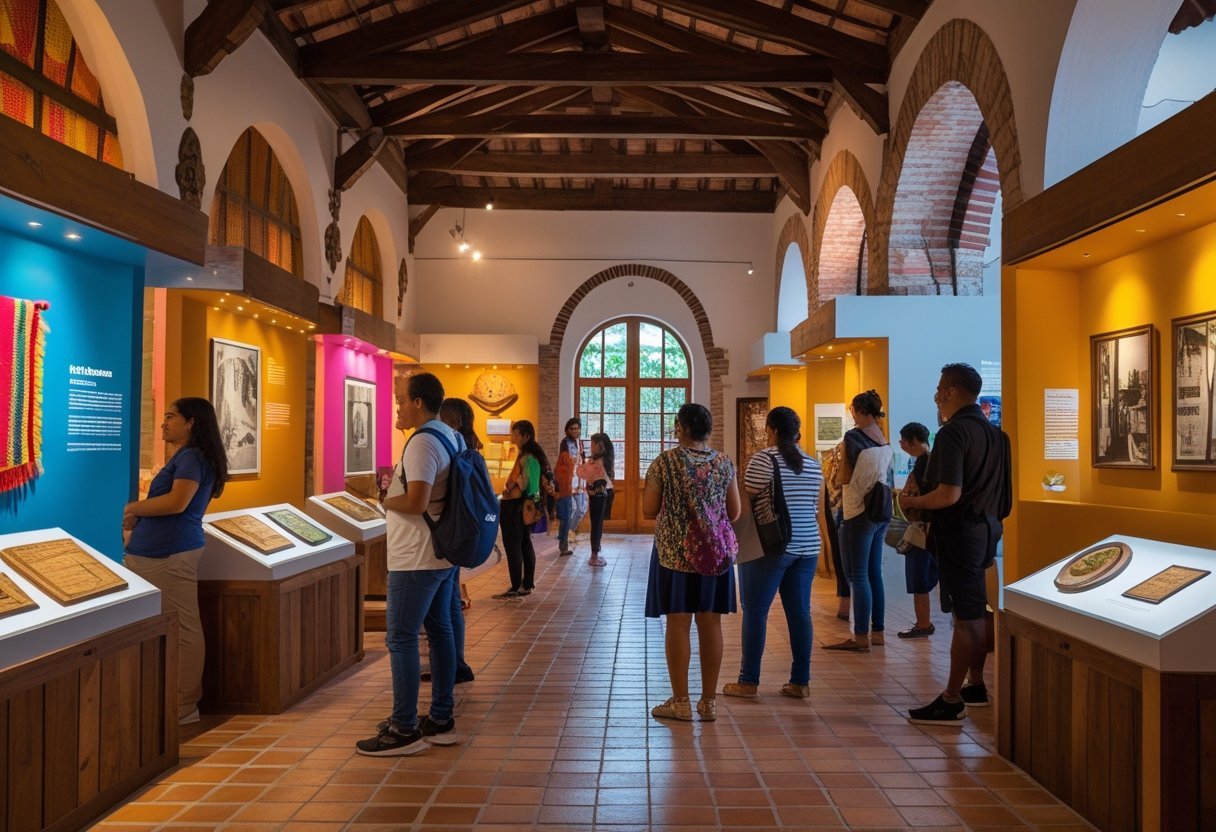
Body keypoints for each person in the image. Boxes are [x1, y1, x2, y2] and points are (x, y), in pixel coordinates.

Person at [356, 373, 462, 756]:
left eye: (401, 399)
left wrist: (385, 499)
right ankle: (440, 719)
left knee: (401, 638)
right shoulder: (449, 434)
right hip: (438, 554)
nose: (397, 406)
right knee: (440, 632)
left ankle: (404, 728)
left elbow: (416, 502)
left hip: (416, 556)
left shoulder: (421, 444)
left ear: (418, 402)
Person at [900, 363, 1009, 724]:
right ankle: (974, 684)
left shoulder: (951, 434)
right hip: (987, 532)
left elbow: (948, 494)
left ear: (950, 391)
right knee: (977, 608)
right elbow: (1005, 497)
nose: (935, 395)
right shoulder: (997, 436)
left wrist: (912, 502)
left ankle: (951, 699)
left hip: (960, 534)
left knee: (967, 617)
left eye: (938, 388)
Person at [123, 397, 229, 725]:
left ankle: (184, 704)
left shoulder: (193, 457)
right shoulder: (188, 456)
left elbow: (177, 502)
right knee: (178, 625)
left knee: (184, 626)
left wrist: (132, 509)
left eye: (171, 416)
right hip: (159, 552)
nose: (163, 422)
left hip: (169, 554)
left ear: (191, 422)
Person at [644, 404, 741, 723]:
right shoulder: (724, 463)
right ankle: (709, 702)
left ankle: (681, 702)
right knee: (711, 623)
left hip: (675, 553)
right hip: (715, 555)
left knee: (678, 622)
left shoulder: (665, 463)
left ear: (680, 428)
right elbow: (735, 511)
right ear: (708, 430)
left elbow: (648, 509)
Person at [724, 406, 827, 700]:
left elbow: (744, 499)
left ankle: (748, 681)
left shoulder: (763, 459)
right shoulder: (812, 463)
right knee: (799, 612)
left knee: (756, 610)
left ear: (772, 430)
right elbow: (815, 506)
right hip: (808, 546)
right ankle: (800, 681)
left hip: (772, 546)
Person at [823, 390, 893, 654]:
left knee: (858, 574)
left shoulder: (854, 437)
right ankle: (878, 633)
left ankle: (860, 635)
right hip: (880, 510)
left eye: (853, 410)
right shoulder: (883, 438)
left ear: (861, 411)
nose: (852, 415)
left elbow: (846, 475)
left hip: (858, 510)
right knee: (875, 573)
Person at [432, 397, 480, 684]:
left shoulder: (454, 450)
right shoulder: (467, 448)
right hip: (459, 534)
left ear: (454, 422)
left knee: (447, 605)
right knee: (451, 603)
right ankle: (456, 663)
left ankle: (451, 665)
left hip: (449, 534)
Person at [493, 419, 550, 598]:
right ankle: (526, 584)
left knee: (514, 546)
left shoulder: (528, 457)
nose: (513, 436)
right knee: (524, 543)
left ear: (526, 436)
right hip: (522, 507)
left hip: (517, 508)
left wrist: (509, 489)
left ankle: (517, 585)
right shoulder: (529, 454)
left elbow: (525, 485)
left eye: (516, 433)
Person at [896, 421, 938, 639]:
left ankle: (923, 623)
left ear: (912, 441)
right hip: (932, 529)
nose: (901, 444)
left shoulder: (923, 464)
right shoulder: (931, 460)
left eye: (903, 440)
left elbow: (911, 498)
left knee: (918, 579)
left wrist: (907, 501)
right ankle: (923, 622)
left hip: (922, 529)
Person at [576, 433, 614, 567]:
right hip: (603, 494)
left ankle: (594, 555)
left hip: (599, 495)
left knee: (596, 525)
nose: (591, 446)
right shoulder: (603, 459)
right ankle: (595, 553)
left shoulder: (598, 462)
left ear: (600, 446)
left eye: (593, 444)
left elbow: (581, 473)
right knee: (597, 525)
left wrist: (582, 464)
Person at [821, 446, 850, 621]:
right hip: (841, 511)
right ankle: (846, 603)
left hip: (847, 513)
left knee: (849, 563)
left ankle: (848, 605)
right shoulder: (832, 464)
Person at [553, 418, 585, 557]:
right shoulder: (565, 443)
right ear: (568, 430)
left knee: (581, 509)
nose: (575, 431)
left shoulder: (581, 443)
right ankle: (563, 542)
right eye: (572, 428)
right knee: (567, 513)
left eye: (577, 428)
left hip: (580, 481)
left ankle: (567, 533)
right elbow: (565, 462)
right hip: (567, 481)